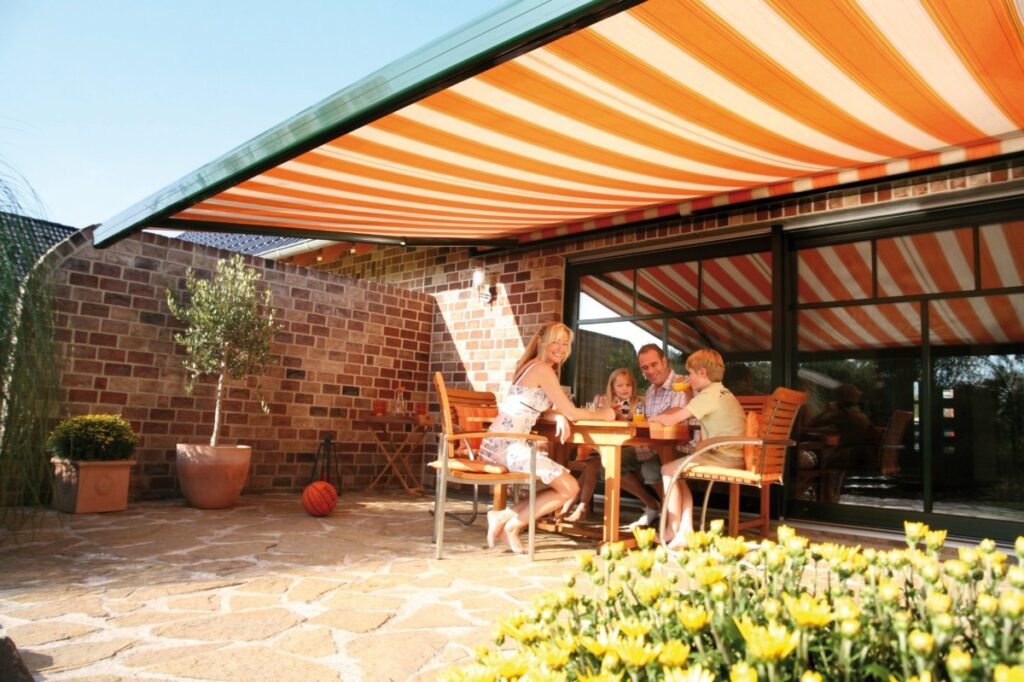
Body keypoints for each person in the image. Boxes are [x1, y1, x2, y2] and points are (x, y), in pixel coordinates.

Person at [480, 322, 615, 554]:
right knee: (569, 487)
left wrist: (557, 415)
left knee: (566, 487)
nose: (561, 348)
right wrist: (605, 414)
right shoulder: (542, 369)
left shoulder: (533, 367)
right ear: (542, 342)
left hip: (505, 443)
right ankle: (510, 525)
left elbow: (538, 408)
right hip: (505, 445)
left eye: (565, 343)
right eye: (556, 341)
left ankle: (504, 519)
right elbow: (572, 411)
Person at [652, 348, 745, 549]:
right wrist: (687, 392)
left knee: (667, 470)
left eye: (691, 373)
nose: (688, 378)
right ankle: (684, 531)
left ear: (702, 372)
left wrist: (652, 419)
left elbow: (673, 419)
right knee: (677, 473)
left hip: (723, 456)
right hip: (731, 453)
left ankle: (671, 529)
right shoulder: (720, 392)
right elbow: (693, 411)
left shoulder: (708, 396)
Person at [560, 368, 661, 524]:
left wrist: (622, 419)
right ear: (612, 387)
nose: (625, 389)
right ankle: (576, 506)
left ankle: (572, 507)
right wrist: (603, 413)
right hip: (604, 447)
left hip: (628, 447)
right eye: (620, 385)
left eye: (628, 385)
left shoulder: (639, 403)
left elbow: (638, 429)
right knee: (592, 466)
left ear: (633, 386)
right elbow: (594, 423)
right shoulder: (605, 402)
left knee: (595, 466)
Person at [630, 343, 692, 528]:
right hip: (652, 446)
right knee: (610, 461)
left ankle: (671, 516)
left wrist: (650, 421)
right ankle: (656, 506)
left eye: (654, 364)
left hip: (679, 447)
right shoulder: (650, 391)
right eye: (645, 367)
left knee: (651, 468)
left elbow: (677, 414)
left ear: (665, 361)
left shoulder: (680, 384)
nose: (650, 371)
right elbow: (647, 421)